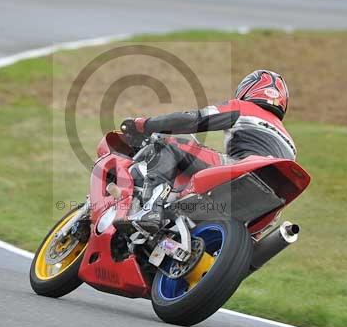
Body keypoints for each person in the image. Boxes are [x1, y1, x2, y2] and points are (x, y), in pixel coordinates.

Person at [120, 70, 296, 227]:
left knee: (166, 144)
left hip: (241, 171)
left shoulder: (243, 107)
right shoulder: (290, 142)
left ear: (249, 89)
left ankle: (151, 209)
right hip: (267, 209)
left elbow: (194, 119)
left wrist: (144, 125)